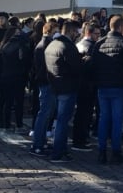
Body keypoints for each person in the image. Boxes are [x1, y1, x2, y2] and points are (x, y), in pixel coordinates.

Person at [92, 14, 123, 164]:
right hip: (119, 87)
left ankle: (101, 152)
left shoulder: (99, 43)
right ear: (121, 27)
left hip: (103, 86)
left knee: (103, 118)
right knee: (117, 120)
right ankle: (116, 152)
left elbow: (94, 65)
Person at [44, 20, 82, 163]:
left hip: (55, 85)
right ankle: (58, 152)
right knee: (62, 121)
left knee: (59, 120)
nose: (77, 36)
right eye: (76, 33)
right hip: (67, 86)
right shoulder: (68, 46)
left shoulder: (52, 44)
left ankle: (60, 149)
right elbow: (76, 68)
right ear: (71, 32)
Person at [30, 21, 58, 156]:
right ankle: (37, 144)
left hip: (45, 81)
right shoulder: (45, 45)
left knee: (46, 113)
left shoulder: (43, 44)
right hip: (46, 82)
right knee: (44, 113)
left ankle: (41, 142)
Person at [72, 20, 100, 152]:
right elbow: (92, 67)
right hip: (88, 84)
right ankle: (80, 140)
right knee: (85, 113)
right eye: (96, 34)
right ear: (89, 33)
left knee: (82, 113)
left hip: (81, 83)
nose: (98, 36)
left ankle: (80, 138)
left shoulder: (78, 44)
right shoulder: (91, 47)